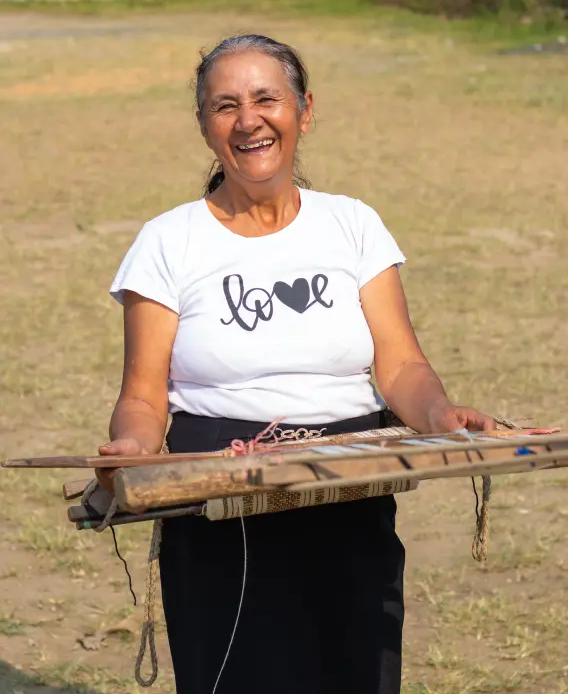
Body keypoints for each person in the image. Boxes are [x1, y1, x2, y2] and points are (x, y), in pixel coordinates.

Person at [101, 34, 495, 694]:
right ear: (204, 126)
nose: (248, 120)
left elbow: (400, 366)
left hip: (350, 483)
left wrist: (438, 413)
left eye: (266, 99)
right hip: (221, 500)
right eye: (225, 106)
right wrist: (133, 449)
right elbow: (143, 397)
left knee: (355, 673)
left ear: (304, 111)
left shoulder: (353, 225)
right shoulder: (167, 242)